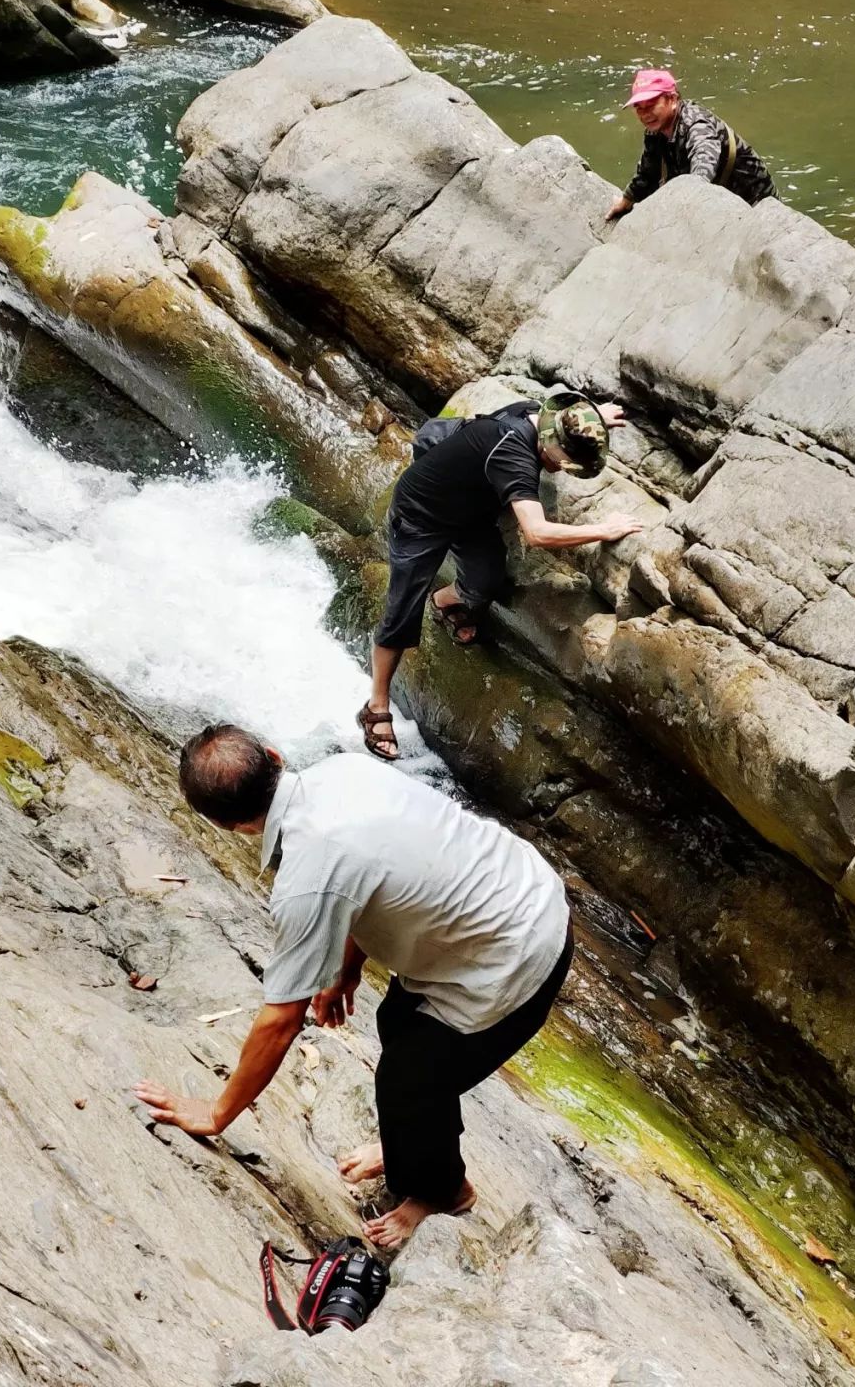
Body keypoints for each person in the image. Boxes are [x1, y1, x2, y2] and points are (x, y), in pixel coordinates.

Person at [134, 725, 574, 1250]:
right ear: (275, 755)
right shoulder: (345, 769)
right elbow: (384, 874)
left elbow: (281, 1020)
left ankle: (443, 1192)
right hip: (522, 886)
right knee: (397, 1024)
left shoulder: (307, 876)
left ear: (226, 825)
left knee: (408, 1080)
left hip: (520, 954)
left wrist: (217, 1112)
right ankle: (410, 1141)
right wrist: (346, 967)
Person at [358, 392, 650, 759]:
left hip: (470, 512)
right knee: (401, 614)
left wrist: (592, 421)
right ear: (548, 442)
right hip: (421, 516)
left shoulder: (536, 416)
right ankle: (376, 706)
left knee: (488, 578)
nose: (563, 470)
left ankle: (444, 602)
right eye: (567, 462)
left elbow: (567, 421)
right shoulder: (514, 456)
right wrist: (603, 530)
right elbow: (537, 533)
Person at [605, 68, 777, 222]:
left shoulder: (697, 125)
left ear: (672, 99)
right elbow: (647, 173)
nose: (645, 114)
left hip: (756, 207)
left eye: (651, 105)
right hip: (718, 202)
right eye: (639, 108)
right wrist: (626, 201)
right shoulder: (654, 131)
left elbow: (703, 169)